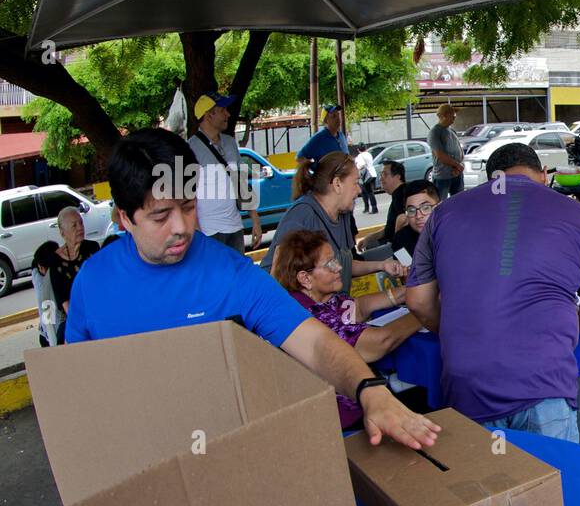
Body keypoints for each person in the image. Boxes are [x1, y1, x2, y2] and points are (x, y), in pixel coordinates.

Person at [65, 128, 438, 450]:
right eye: (161, 215)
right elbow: (79, 394)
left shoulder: (231, 272)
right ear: (125, 219)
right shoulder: (92, 284)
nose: (181, 227)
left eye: (189, 206)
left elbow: (314, 341)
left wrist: (369, 391)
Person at [404, 143, 580, 441]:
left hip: (466, 382)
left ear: (490, 180)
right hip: (544, 381)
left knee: (485, 484)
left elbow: (417, 300)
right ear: (544, 175)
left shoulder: (444, 214)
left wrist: (464, 329)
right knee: (551, 483)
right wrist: (563, 329)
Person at [271, 230, 422, 429]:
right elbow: (380, 342)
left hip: (354, 402)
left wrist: (407, 292)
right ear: (305, 278)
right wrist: (425, 309)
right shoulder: (308, 314)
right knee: (426, 397)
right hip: (341, 418)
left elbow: (357, 307)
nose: (339, 267)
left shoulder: (321, 299)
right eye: (330, 264)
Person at [263, 152, 407, 294]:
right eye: (356, 182)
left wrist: (383, 265)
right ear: (337, 184)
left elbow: (344, 265)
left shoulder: (342, 214)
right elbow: (278, 275)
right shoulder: (303, 214)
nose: (359, 190)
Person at [188, 91, 261, 253]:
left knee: (235, 276)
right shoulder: (188, 149)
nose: (228, 114)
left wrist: (255, 220)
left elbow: (241, 182)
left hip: (235, 228)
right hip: (209, 233)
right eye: (222, 110)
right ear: (208, 115)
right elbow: (186, 197)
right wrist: (197, 234)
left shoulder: (230, 143)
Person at [45, 208, 100, 345]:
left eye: (81, 223)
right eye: (74, 225)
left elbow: (102, 283)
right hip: (74, 316)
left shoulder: (92, 248)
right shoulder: (56, 262)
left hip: (98, 308)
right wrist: (83, 322)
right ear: (62, 232)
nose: (80, 227)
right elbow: (64, 302)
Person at [365, 158, 408, 250]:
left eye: (385, 174)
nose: (380, 178)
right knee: (369, 244)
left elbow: (403, 219)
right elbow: (389, 229)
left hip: (400, 248)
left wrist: (396, 244)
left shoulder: (402, 194)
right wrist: (369, 238)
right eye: (380, 174)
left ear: (398, 176)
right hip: (392, 242)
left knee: (363, 258)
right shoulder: (397, 194)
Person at [390, 180, 438, 260]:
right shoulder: (401, 240)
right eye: (411, 210)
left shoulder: (454, 234)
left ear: (439, 207)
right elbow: (408, 270)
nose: (418, 216)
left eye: (426, 208)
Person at [427, 104, 465, 201]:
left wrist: (459, 166)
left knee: (459, 202)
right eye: (452, 115)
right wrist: (457, 165)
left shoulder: (452, 130)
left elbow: (459, 150)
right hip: (442, 176)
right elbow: (440, 155)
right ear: (444, 115)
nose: (454, 117)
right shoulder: (435, 132)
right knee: (440, 204)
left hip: (457, 174)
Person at [354, 143, 378, 214]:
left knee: (366, 192)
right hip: (372, 174)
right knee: (368, 191)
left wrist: (357, 167)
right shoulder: (369, 154)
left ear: (358, 149)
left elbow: (361, 165)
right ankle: (368, 208)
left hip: (366, 176)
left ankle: (373, 208)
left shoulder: (360, 156)